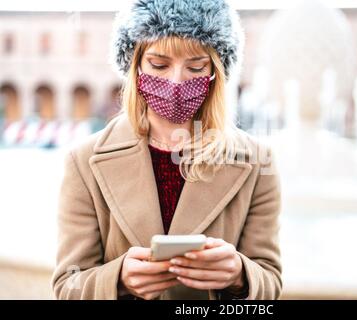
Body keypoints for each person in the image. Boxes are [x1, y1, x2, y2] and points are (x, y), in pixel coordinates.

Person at [51, 0, 282, 300]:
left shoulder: (256, 163)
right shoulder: (82, 162)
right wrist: (118, 279)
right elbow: (67, 285)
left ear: (215, 73)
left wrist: (239, 274)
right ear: (134, 65)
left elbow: (270, 280)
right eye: (159, 64)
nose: (176, 81)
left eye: (196, 66)